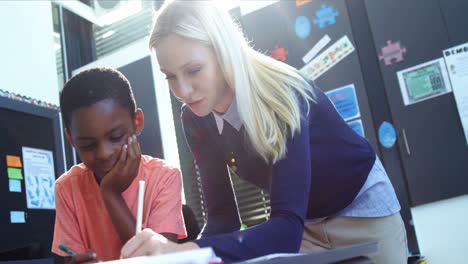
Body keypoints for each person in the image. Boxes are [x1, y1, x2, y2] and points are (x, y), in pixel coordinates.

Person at [121, 1, 408, 263]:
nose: (182, 90)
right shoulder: (195, 119)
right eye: (170, 76)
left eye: (193, 70)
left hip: (362, 213)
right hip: (304, 225)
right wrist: (183, 258)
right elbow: (223, 219)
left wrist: (182, 251)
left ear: (223, 51)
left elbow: (284, 231)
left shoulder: (283, 94)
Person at [52, 67, 186, 263]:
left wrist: (110, 193)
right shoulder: (67, 188)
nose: (104, 153)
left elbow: (156, 261)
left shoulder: (164, 177)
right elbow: (72, 258)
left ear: (137, 122)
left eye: (116, 137)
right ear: (71, 140)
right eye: (88, 145)